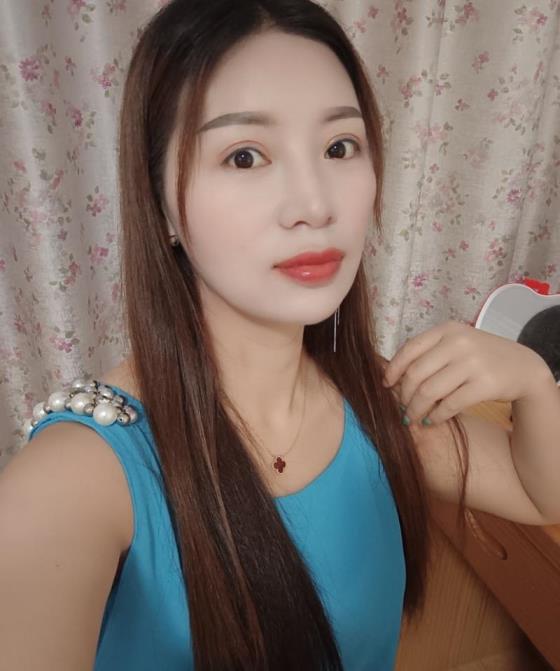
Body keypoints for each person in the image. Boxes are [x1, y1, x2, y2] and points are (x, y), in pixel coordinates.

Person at [1, 1, 559, 669]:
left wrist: (532, 382)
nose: (315, 205)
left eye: (339, 147)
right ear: (160, 205)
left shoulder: (377, 400)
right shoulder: (70, 483)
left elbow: (542, 493)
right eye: (245, 156)